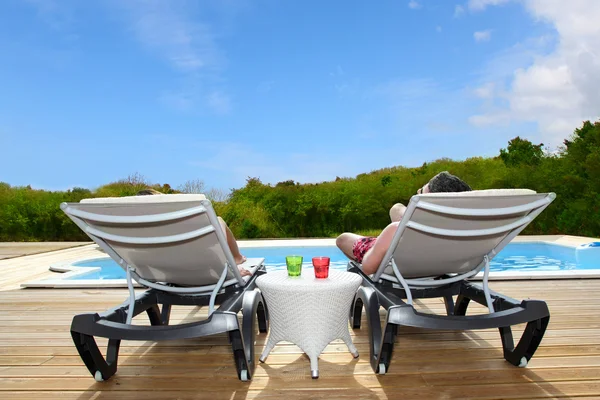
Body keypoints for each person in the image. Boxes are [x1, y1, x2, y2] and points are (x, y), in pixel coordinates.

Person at [335, 172, 472, 275]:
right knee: (397, 208)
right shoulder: (467, 230)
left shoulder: (394, 230)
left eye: (419, 194)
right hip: (436, 259)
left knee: (343, 238)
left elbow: (368, 268)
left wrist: (380, 246)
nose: (416, 194)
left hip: (398, 255)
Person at [136, 189, 251, 277]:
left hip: (168, 276)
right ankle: (236, 259)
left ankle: (236, 259)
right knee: (219, 220)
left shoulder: (138, 236)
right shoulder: (176, 227)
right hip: (197, 274)